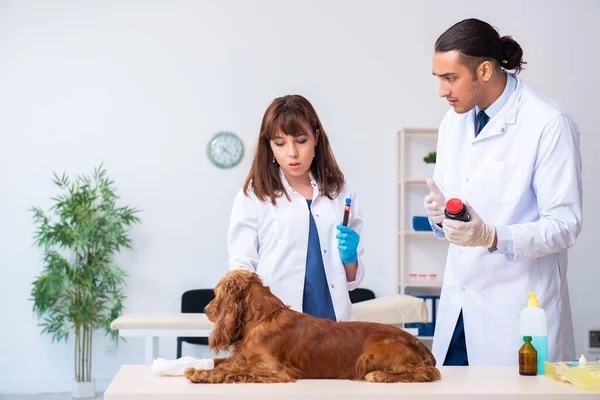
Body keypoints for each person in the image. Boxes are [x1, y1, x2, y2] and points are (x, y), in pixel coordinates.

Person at [426, 18, 582, 366]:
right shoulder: (454, 121)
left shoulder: (547, 123)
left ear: (484, 70)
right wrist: (440, 218)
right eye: (438, 78)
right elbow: (457, 207)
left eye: (450, 78)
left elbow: (565, 224)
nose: (441, 90)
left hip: (516, 314)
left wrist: (493, 236)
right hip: (460, 309)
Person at [227, 94, 365, 322]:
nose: (292, 153)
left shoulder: (341, 193)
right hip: (276, 323)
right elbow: (242, 267)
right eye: (280, 143)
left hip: (332, 322)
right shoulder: (254, 195)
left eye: (301, 141)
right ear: (269, 145)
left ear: (316, 138)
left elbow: (352, 280)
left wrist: (350, 258)